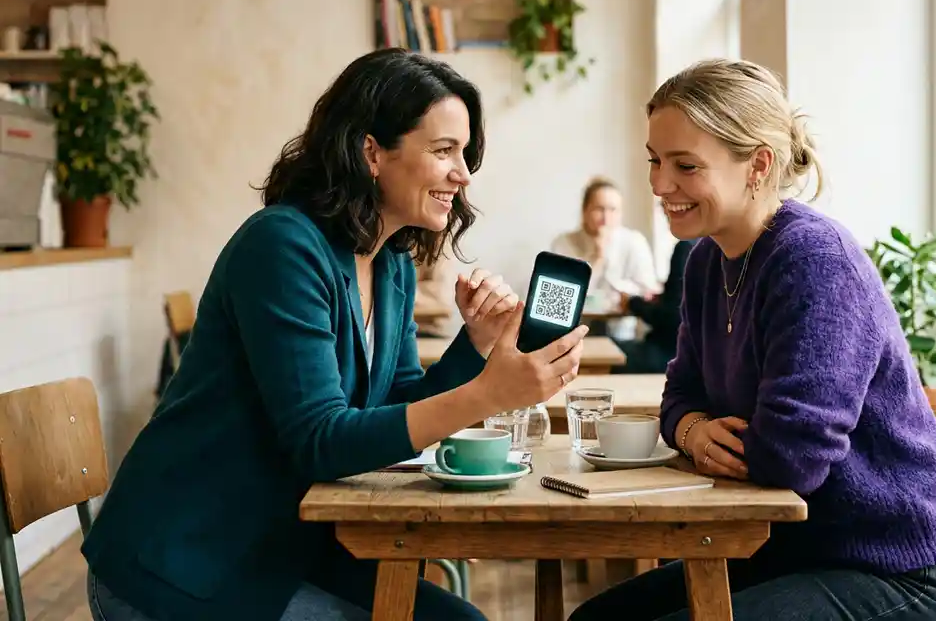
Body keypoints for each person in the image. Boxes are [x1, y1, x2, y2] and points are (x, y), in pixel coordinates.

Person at [82, 49, 589, 621]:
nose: (464, 173)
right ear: (371, 151)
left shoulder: (391, 261)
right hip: (186, 562)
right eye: (444, 150)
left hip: (281, 547)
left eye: (465, 153)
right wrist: (489, 394)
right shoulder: (281, 246)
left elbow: (396, 409)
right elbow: (320, 440)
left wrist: (474, 347)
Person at [570, 58, 936, 621]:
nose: (661, 185)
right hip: (785, 545)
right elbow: (680, 395)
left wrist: (705, 434)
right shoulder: (705, 260)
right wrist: (694, 430)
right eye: (655, 161)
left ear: (758, 165)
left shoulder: (815, 261)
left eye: (686, 165)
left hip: (894, 563)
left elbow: (793, 456)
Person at [551, 176, 658, 338]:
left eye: (613, 210)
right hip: (572, 333)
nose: (606, 217)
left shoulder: (634, 242)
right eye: (599, 209)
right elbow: (559, 298)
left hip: (621, 334)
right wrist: (597, 259)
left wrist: (618, 289)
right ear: (585, 211)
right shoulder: (563, 243)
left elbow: (647, 289)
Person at [613, 238, 697, 373]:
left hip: (669, 354)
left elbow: (673, 316)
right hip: (704, 357)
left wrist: (633, 303)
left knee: (604, 349)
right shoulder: (719, 246)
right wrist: (664, 297)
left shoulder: (687, 247)